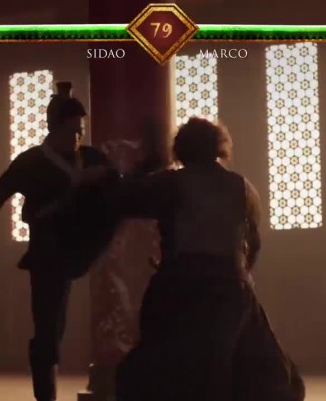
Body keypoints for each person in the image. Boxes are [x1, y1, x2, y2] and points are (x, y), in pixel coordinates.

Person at [113, 117, 305, 401]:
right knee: (255, 369)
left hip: (179, 287)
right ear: (218, 146)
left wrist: (146, 166)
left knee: (157, 365)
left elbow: (123, 198)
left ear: (181, 149)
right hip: (231, 289)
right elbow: (253, 246)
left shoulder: (172, 183)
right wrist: (239, 276)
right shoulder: (243, 188)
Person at [0, 82, 114, 401]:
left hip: (91, 246)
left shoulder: (92, 158)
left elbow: (121, 188)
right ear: (53, 129)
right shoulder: (31, 162)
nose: (76, 138)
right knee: (48, 328)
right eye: (70, 131)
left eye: (80, 131)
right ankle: (45, 394)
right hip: (50, 251)